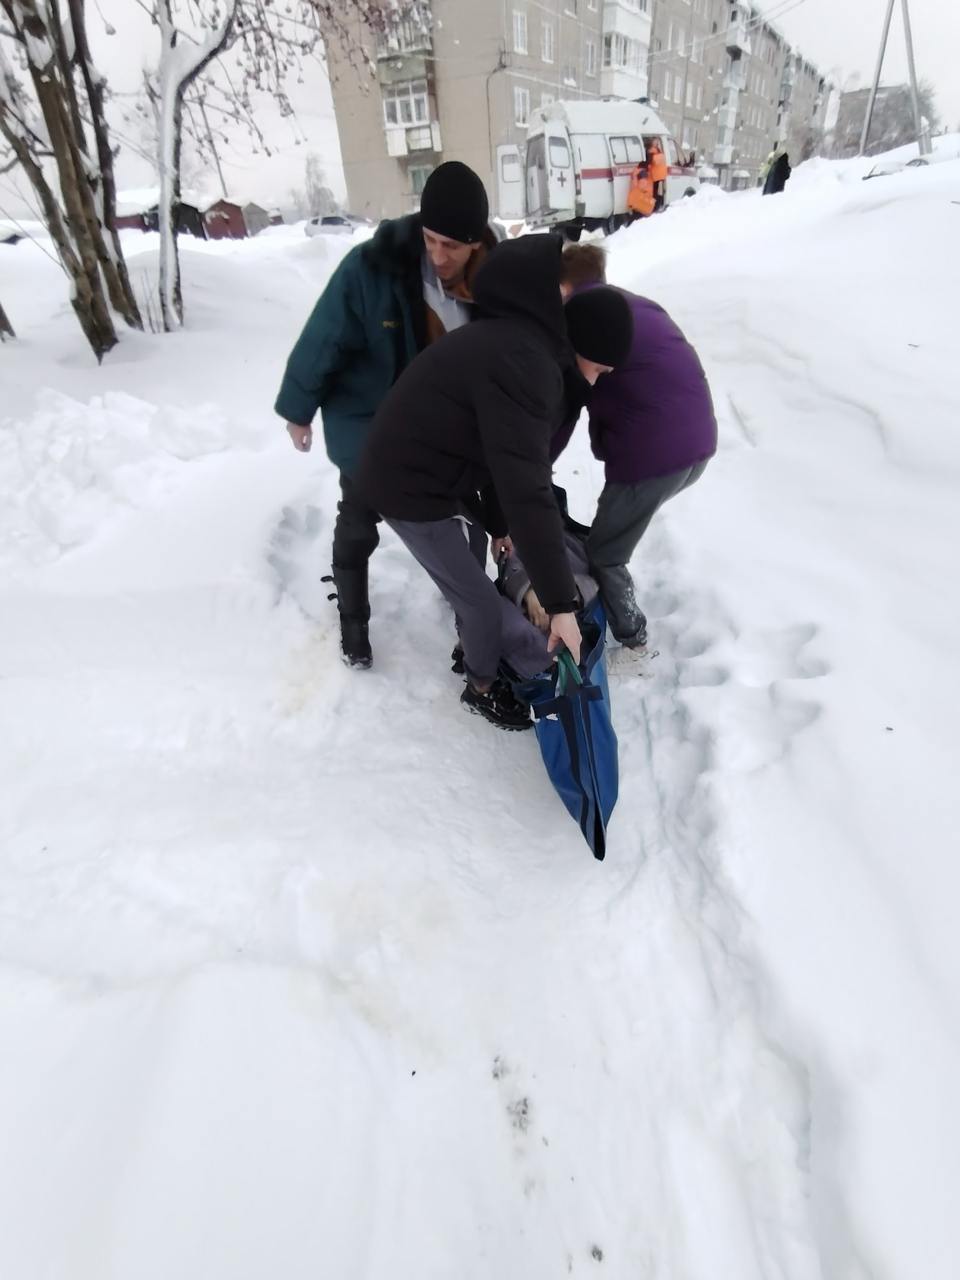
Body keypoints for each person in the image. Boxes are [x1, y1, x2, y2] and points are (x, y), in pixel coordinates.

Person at [356, 235, 634, 731]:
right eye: (602, 369)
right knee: (481, 603)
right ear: (583, 349)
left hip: (436, 466)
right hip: (405, 486)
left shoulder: (523, 347)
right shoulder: (525, 366)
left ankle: (476, 634)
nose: (601, 380)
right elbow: (528, 490)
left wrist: (498, 522)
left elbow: (500, 458)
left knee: (479, 563)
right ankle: (481, 685)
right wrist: (560, 605)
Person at [274, 161, 495, 669]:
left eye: (452, 246)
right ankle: (353, 625)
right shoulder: (371, 268)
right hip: (369, 422)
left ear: (476, 243)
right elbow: (324, 338)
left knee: (474, 511)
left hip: (442, 432)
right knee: (358, 520)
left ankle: (467, 602)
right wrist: (298, 409)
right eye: (431, 240)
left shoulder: (490, 281)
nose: (438, 255)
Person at [553, 243, 717, 652]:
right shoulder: (634, 306)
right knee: (612, 534)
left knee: (606, 553)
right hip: (697, 442)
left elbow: (571, 402)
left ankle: (634, 642)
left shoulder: (583, 325)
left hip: (656, 456)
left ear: (563, 286)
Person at [647, 139, 669, 211]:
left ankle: (654, 206)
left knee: (655, 192)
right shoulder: (656, 151)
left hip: (655, 175)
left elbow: (650, 162)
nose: (657, 143)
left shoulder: (653, 151)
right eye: (655, 142)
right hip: (656, 176)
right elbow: (654, 162)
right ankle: (655, 206)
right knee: (655, 192)